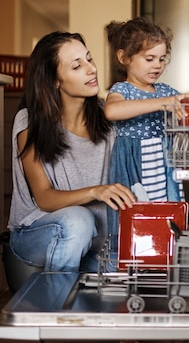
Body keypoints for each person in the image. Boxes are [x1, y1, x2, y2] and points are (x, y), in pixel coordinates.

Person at [7, 31, 136, 274]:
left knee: (134, 270)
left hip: (98, 244)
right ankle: (55, 306)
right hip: (38, 232)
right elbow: (44, 198)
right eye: (77, 66)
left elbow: (155, 120)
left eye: (89, 59)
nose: (91, 69)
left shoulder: (109, 117)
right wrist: (96, 191)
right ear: (55, 80)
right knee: (78, 221)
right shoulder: (30, 121)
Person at [104, 17, 189, 206]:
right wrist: (162, 103)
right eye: (149, 59)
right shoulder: (122, 89)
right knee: (137, 213)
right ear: (124, 58)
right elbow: (112, 111)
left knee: (167, 209)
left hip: (163, 161)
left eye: (162, 59)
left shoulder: (165, 90)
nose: (157, 65)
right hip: (135, 163)